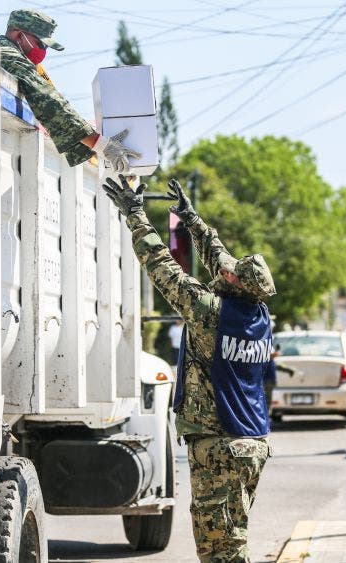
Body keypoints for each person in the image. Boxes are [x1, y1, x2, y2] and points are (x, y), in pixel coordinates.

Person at [103, 174, 275, 562]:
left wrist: (135, 213)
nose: (225, 270)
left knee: (219, 547)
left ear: (236, 286)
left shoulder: (210, 314)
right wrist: (192, 221)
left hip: (219, 443)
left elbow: (160, 264)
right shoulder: (258, 314)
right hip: (252, 443)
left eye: (231, 273)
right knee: (234, 535)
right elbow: (222, 262)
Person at [0, 9, 139, 171]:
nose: (43, 51)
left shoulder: (21, 61)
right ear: (18, 35)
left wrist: (95, 143)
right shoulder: (6, 54)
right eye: (41, 44)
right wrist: (101, 145)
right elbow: (48, 100)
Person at [264, 344, 294, 415]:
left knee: (268, 401)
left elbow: (278, 366)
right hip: (267, 382)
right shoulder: (266, 359)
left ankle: (266, 416)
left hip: (269, 382)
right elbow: (272, 356)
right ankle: (265, 417)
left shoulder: (270, 360)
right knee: (267, 401)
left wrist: (289, 370)